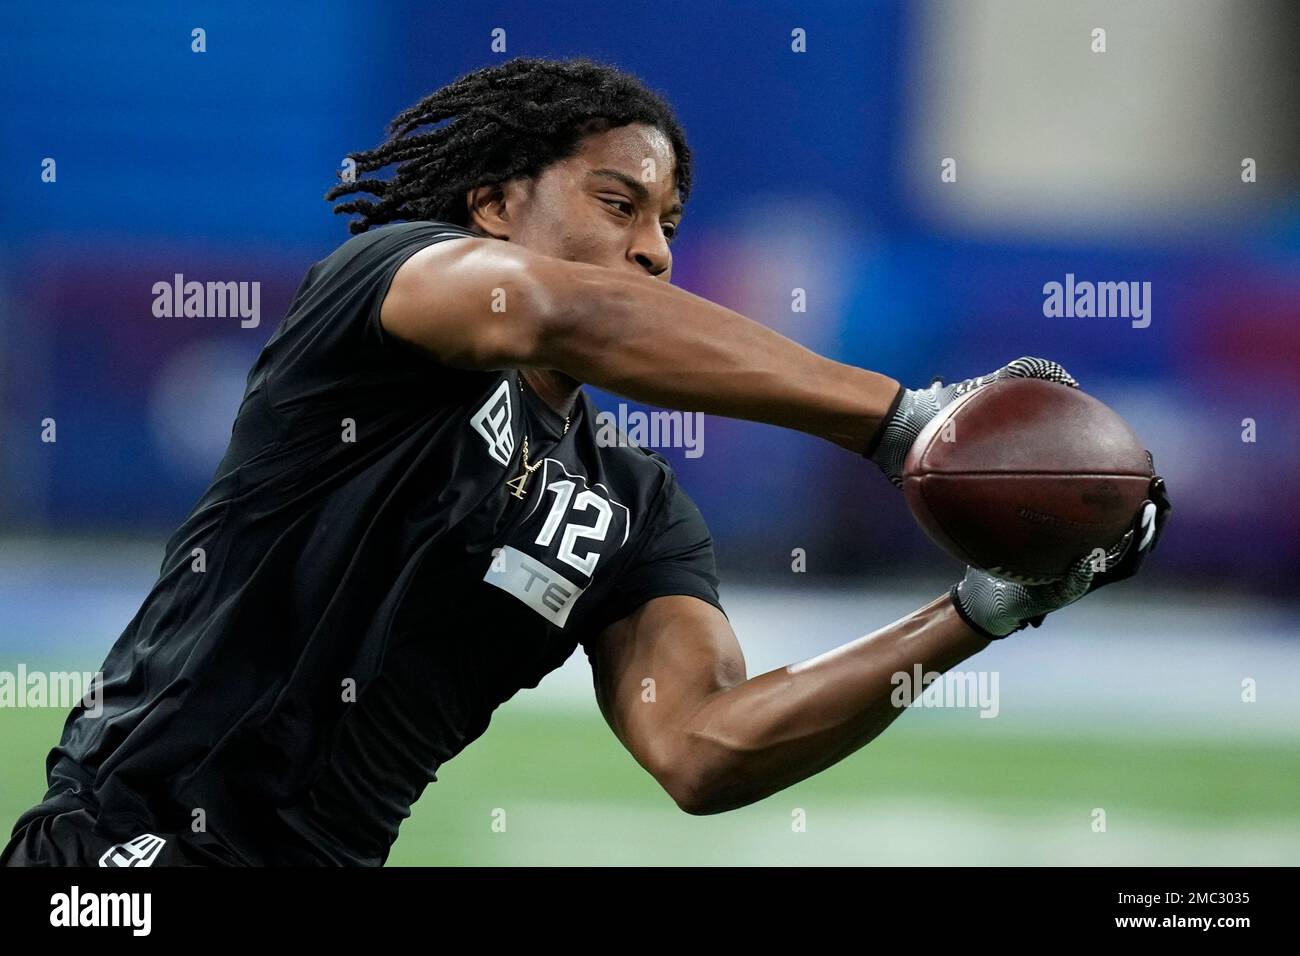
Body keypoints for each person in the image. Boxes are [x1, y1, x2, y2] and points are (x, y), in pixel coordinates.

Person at [2, 57, 1169, 867]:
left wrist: (976, 609)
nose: (653, 248)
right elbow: (552, 315)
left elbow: (702, 748)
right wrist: (902, 417)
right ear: (494, 201)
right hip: (124, 847)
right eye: (618, 202)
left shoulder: (637, 506)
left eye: (667, 220)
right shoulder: (386, 293)